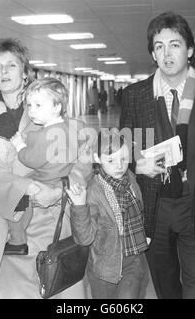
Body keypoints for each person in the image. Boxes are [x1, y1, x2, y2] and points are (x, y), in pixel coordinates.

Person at [119, 11, 195, 299]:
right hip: (154, 206)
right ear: (153, 53)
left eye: (174, 44)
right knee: (166, 287)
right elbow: (123, 148)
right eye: (159, 46)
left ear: (190, 50)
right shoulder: (135, 95)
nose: (166, 53)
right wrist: (137, 164)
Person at [0, 38, 91, 298]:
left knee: (61, 289)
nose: (4, 72)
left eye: (11, 65)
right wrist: (29, 188)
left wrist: (59, 190)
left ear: (24, 71)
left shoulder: (44, 106)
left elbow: (82, 155)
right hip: (11, 222)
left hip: (54, 219)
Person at [67, 128, 149, 299]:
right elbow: (85, 238)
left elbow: (140, 212)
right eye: (111, 160)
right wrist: (80, 205)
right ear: (97, 159)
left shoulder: (131, 179)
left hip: (133, 261)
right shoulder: (94, 191)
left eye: (124, 159)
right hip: (104, 270)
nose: (119, 166)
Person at [7, 77, 81, 255]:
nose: (31, 111)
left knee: (15, 195)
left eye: (38, 105)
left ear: (57, 107)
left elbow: (31, 159)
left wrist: (19, 145)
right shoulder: (70, 128)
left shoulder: (47, 134)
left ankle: (17, 240)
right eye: (30, 105)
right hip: (60, 179)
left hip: (45, 180)